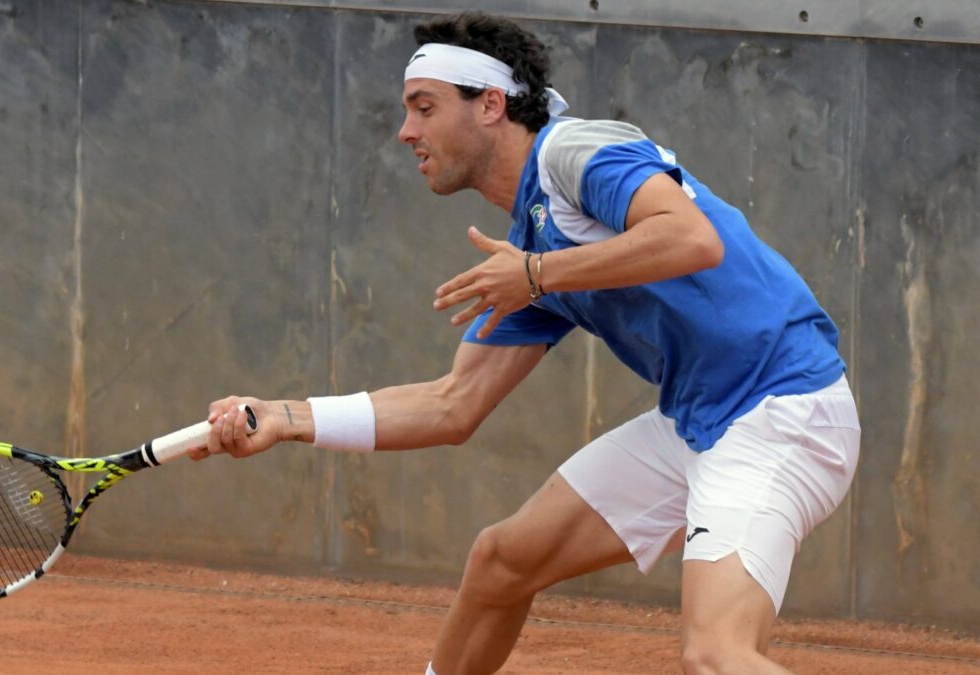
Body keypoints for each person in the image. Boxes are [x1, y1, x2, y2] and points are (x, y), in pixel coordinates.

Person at [194, 11, 860, 675]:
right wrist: (286, 417)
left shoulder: (574, 152)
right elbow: (452, 404)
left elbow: (691, 238)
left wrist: (538, 275)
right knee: (502, 561)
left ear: (490, 104)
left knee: (716, 654)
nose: (406, 131)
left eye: (424, 108)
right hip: (700, 421)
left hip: (782, 407)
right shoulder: (527, 247)